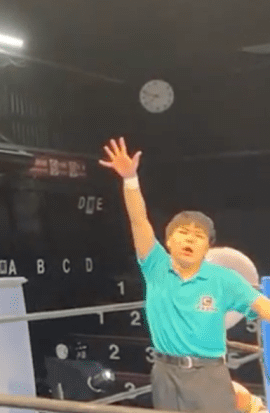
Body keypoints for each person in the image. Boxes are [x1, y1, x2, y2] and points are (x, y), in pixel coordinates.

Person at [100, 137, 270, 412]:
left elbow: (263, 307)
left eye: (198, 236)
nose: (189, 239)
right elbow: (139, 220)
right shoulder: (155, 266)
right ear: (168, 241)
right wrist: (130, 179)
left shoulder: (223, 279)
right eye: (182, 233)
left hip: (208, 374)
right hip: (164, 373)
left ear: (207, 247)